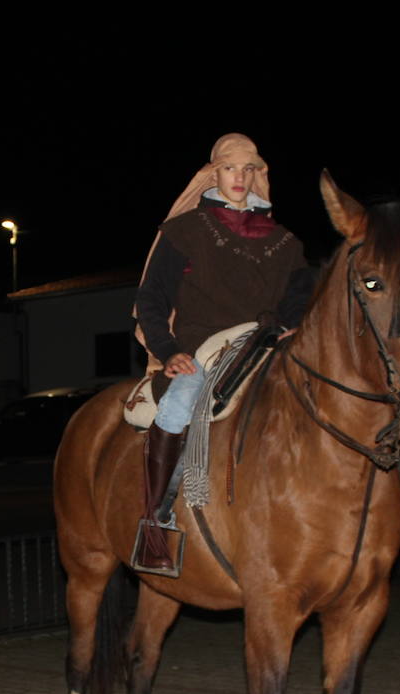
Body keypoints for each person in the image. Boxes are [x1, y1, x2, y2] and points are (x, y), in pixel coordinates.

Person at [131, 133, 315, 573]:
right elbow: (151, 299)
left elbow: (300, 294)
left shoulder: (285, 241)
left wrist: (291, 325)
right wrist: (169, 350)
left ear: (258, 175)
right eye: (231, 168)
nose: (240, 177)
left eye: (249, 169)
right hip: (201, 348)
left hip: (266, 342)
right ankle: (157, 523)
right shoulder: (184, 231)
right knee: (177, 408)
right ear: (214, 173)